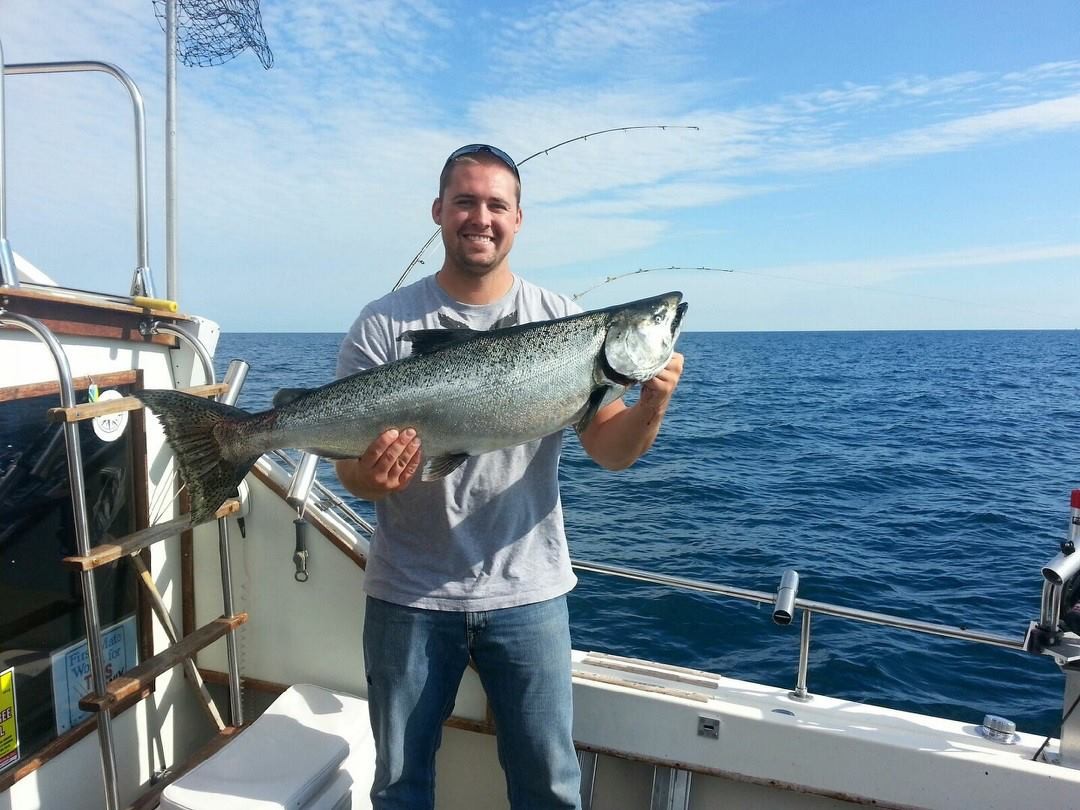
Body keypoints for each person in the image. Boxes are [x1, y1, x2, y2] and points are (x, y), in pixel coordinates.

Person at [335, 143, 684, 810]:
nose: (480, 216)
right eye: (465, 201)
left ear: (519, 219)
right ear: (438, 211)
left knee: (550, 788)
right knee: (399, 788)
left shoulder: (562, 322)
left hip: (529, 594)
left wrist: (652, 403)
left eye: (497, 204)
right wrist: (373, 477)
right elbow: (353, 472)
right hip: (407, 594)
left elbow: (609, 452)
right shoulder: (383, 323)